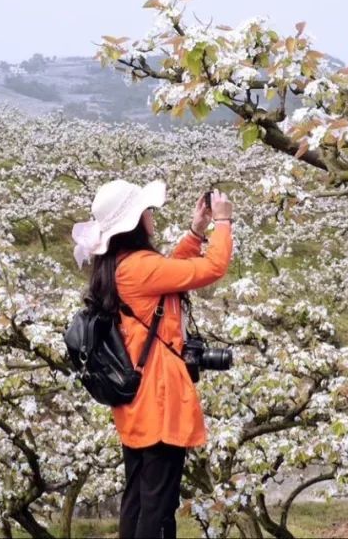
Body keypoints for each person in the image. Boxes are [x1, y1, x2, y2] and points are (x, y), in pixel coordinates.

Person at [72, 179, 233, 539]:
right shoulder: (139, 267)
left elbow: (168, 274)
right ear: (134, 222)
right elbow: (210, 269)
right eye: (145, 210)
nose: (150, 215)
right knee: (157, 503)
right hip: (158, 400)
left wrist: (195, 231)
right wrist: (222, 223)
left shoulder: (119, 265)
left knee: (140, 497)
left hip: (136, 401)